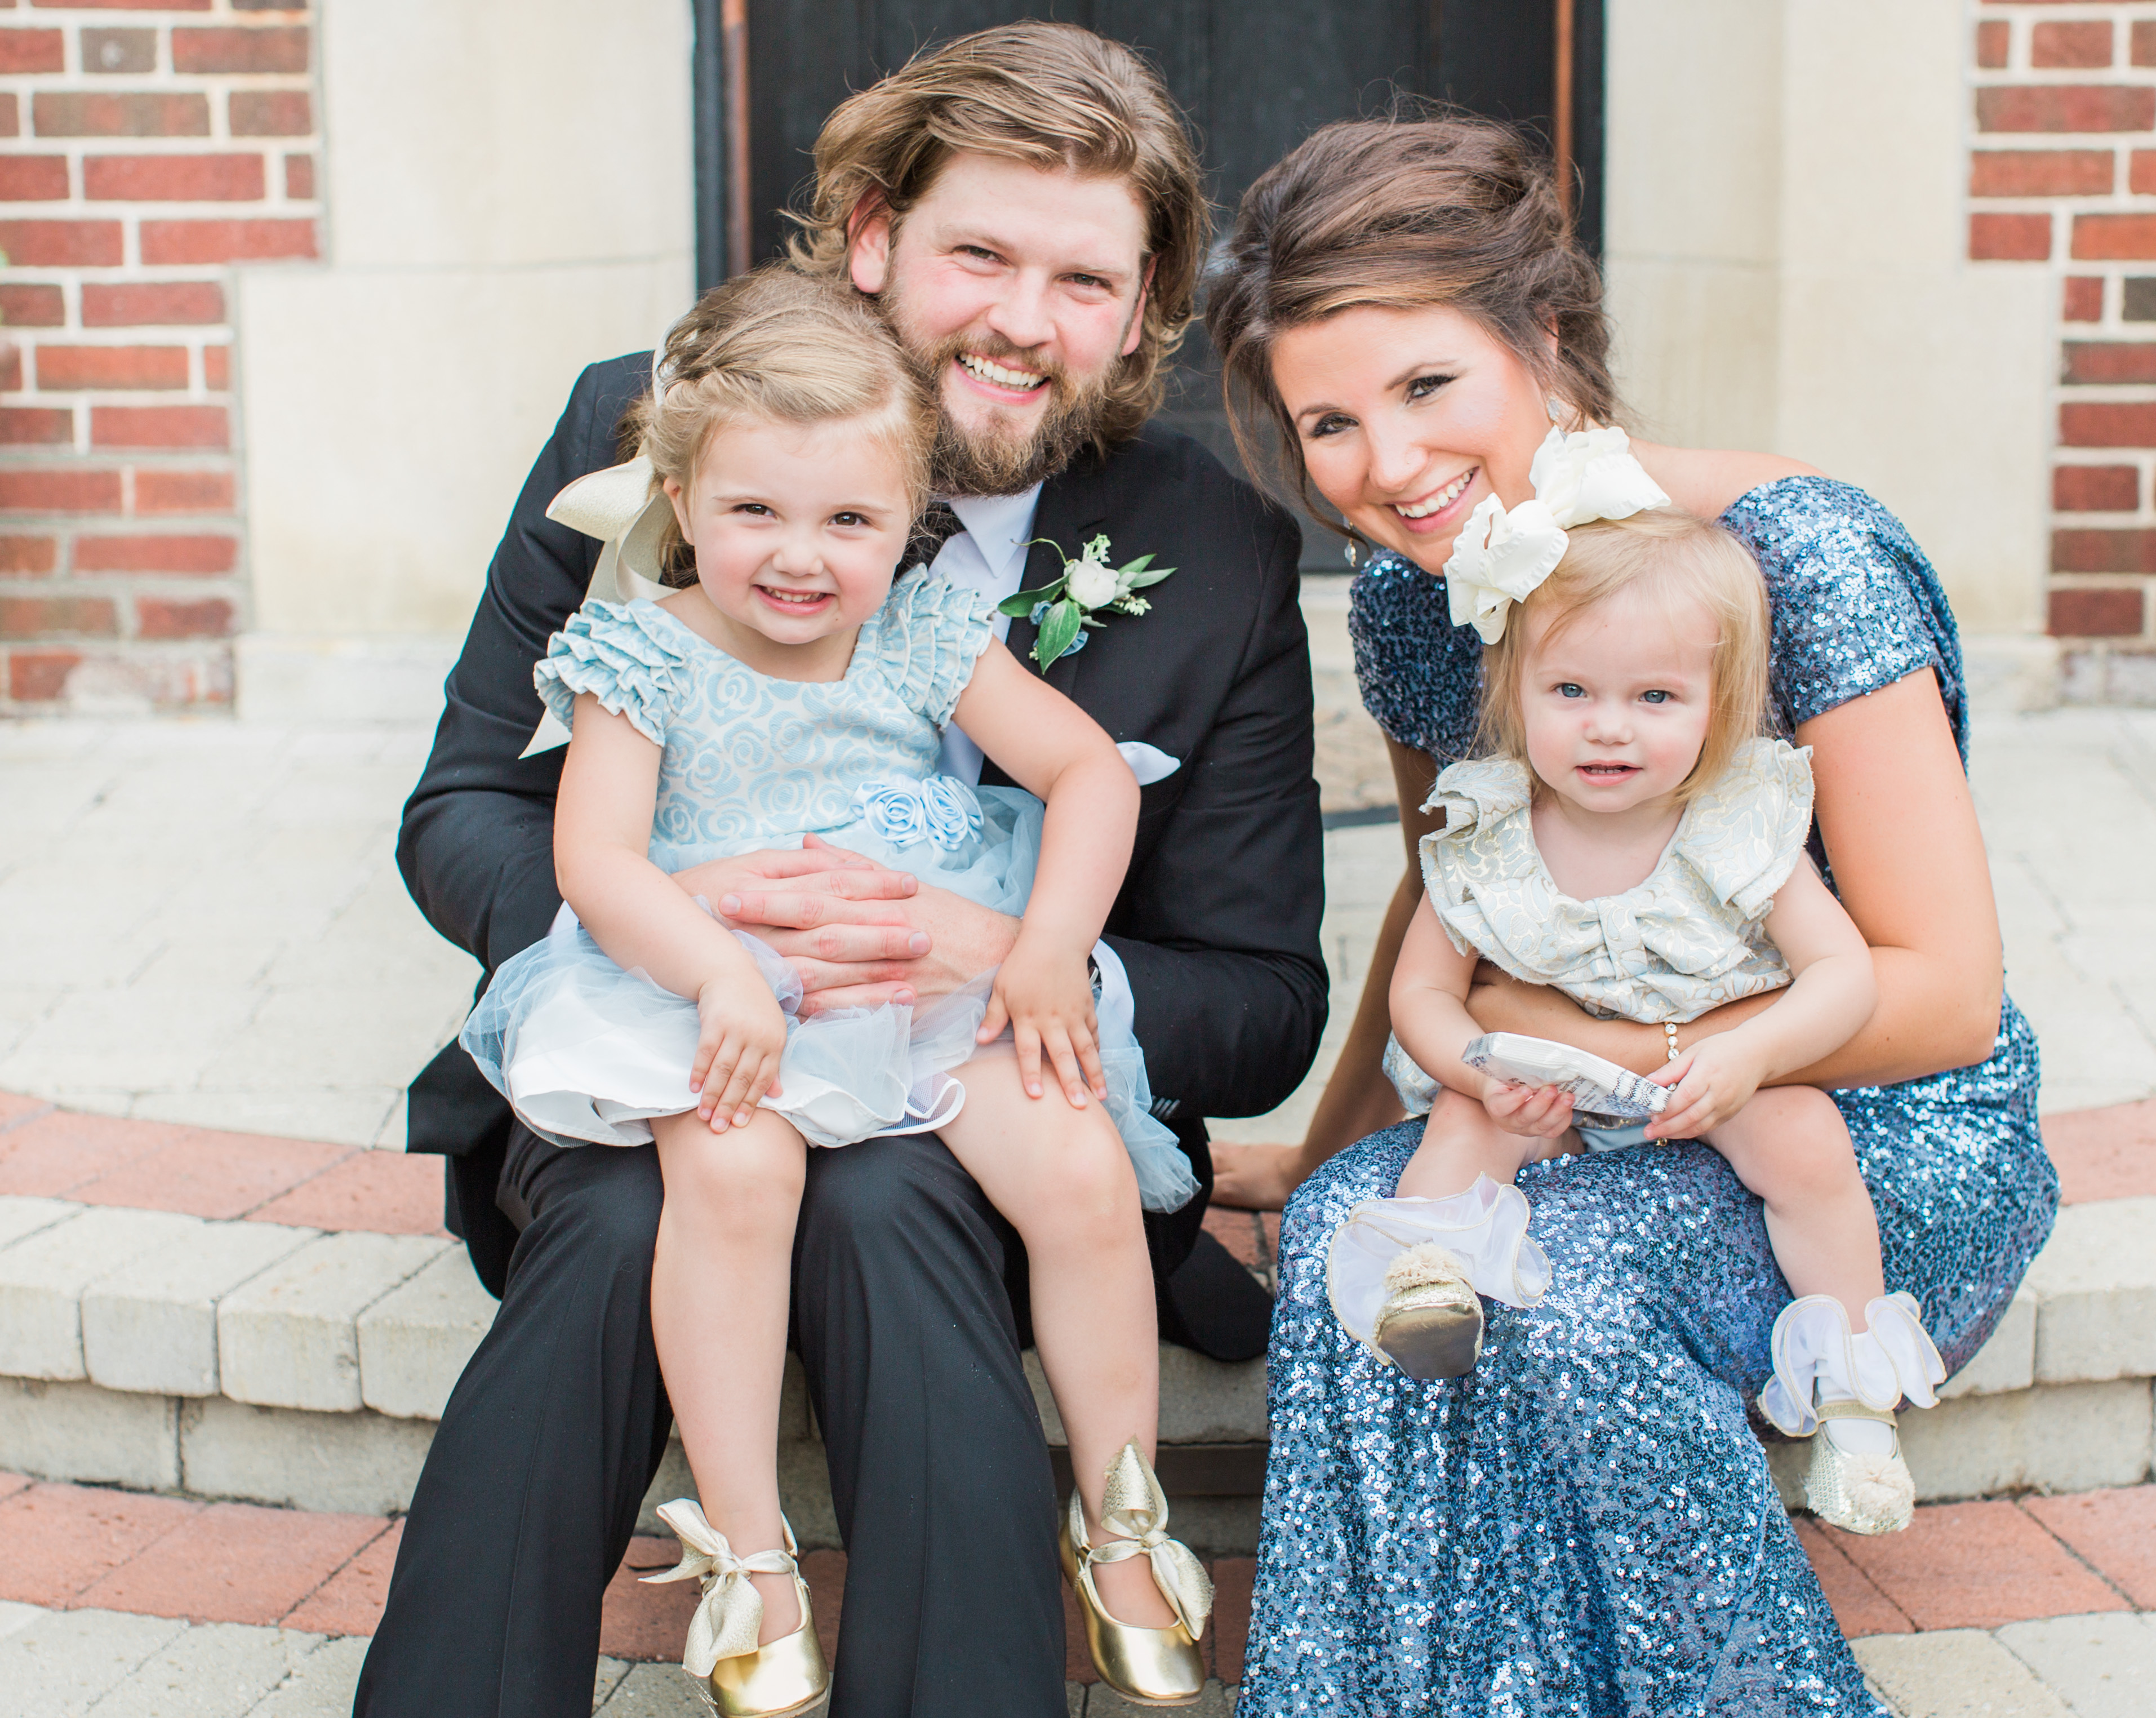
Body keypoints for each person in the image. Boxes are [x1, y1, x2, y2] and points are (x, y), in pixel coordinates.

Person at [361, 25, 1324, 1718]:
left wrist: (1006, 950)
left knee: (891, 1211)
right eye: (980, 255)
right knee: (629, 1209)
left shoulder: (1220, 544)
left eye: (1085, 281)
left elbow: (1260, 997)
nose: (1025, 321)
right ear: (872, 235)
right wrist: (673, 933)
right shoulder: (651, 422)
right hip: (687, 1046)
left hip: (978, 1074)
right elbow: (462, 811)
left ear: (1141, 309)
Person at [1205, 116, 2053, 1712]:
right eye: (1329, 421)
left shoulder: (1800, 552)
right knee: (1350, 1247)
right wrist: (1327, 1146)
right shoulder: (1415, 594)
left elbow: (1943, 995)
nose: (1387, 463)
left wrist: (1617, 1051)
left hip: (1858, 1121)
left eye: (1425, 384)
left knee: (1562, 1289)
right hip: (1582, 1106)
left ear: (1540, 336)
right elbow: (1461, 899)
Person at [460, 270, 1213, 1714]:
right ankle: (751, 1555)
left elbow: (1086, 773)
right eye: (755, 510)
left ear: (908, 511)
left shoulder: (922, 631)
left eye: (850, 521)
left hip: (918, 979)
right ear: (680, 499)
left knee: (1076, 1163)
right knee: (731, 1173)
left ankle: (1121, 1518)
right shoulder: (640, 653)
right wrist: (716, 974)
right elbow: (595, 861)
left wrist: (1046, 944)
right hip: (713, 987)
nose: (801, 558)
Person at [1330, 496, 1942, 1539]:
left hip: (1709, 1078)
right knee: (1465, 1123)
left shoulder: (1734, 827)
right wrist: (1478, 1071)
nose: (1607, 725)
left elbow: (1842, 973)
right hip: (1545, 1083)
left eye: (1655, 695)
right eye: (1570, 689)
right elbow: (1419, 992)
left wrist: (1752, 1054)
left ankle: (1852, 1400)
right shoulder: (1489, 832)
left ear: (1717, 704)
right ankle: (1431, 1280)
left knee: (1806, 1139)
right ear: (1514, 691)